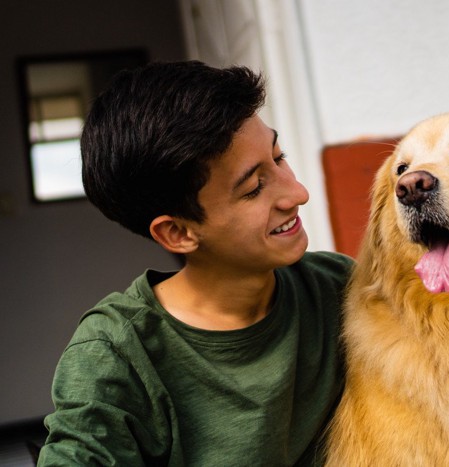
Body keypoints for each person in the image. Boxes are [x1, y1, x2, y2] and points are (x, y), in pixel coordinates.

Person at [37, 61, 353, 466]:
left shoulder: (337, 289)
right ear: (178, 233)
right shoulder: (116, 354)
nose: (298, 193)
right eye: (255, 187)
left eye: (280, 157)